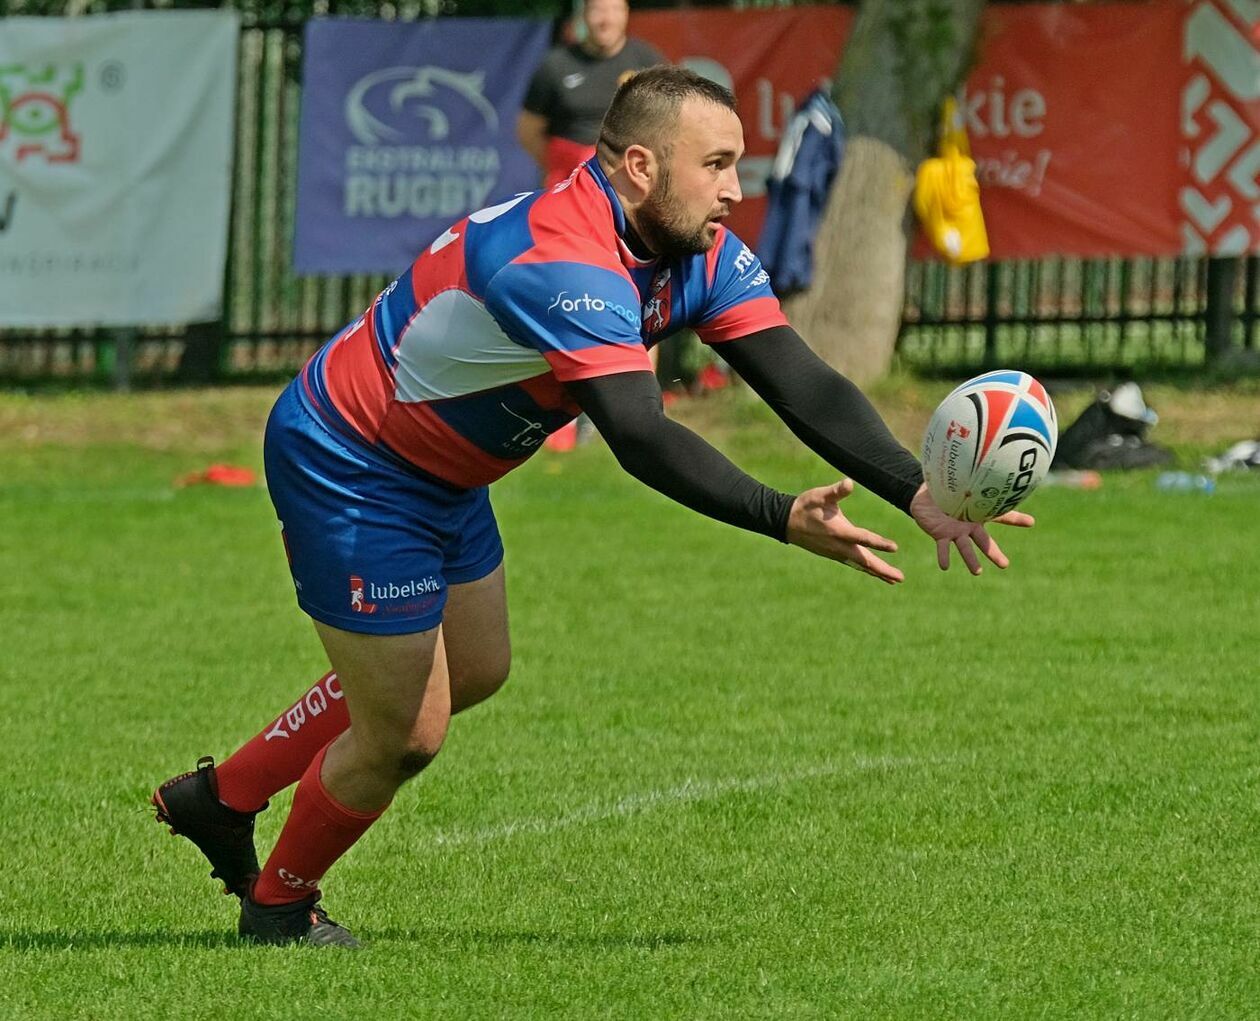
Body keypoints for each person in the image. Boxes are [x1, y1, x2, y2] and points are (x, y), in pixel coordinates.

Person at [152, 66, 1034, 949]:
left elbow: (799, 379)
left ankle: (223, 797)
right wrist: (779, 514)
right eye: (717, 164)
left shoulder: (691, 250)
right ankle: (278, 907)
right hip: (352, 460)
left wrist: (915, 489)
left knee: (476, 664)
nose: (737, 188)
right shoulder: (560, 260)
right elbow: (642, 436)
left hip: (444, 470)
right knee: (407, 730)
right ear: (642, 166)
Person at [517, 0, 663, 189]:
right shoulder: (555, 65)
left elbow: (665, 123)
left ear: (626, 13)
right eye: (598, 10)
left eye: (614, 10)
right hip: (568, 182)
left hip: (630, 183)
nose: (606, 19)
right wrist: (565, 166)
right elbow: (528, 130)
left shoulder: (647, 61)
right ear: (583, 15)